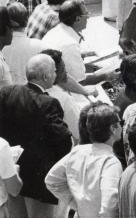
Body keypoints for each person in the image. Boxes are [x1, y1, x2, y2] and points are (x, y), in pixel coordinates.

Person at [0, 55, 72, 218]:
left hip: (11, 171)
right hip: (39, 178)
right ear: (46, 76)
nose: (55, 74)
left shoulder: (6, 93)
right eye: (54, 71)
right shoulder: (48, 103)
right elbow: (63, 139)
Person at [44, 103, 123, 218]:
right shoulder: (110, 162)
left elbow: (52, 180)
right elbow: (109, 205)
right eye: (120, 123)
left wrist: (76, 204)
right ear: (113, 128)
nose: (122, 127)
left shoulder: (77, 152)